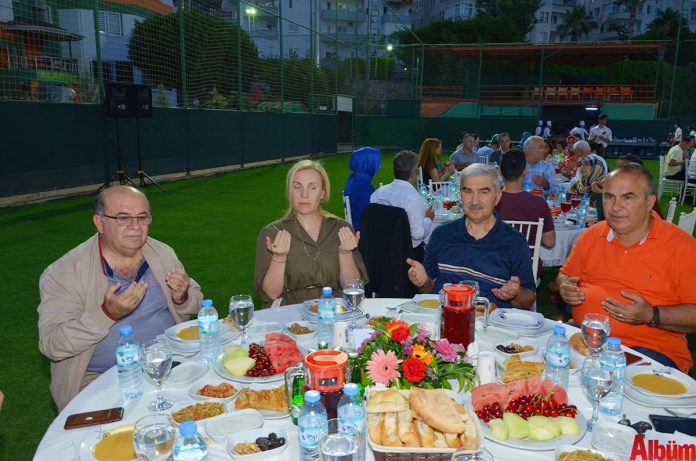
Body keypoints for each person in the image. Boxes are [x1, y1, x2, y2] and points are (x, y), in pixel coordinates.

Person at [38, 186, 203, 411]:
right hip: (101, 380)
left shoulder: (162, 253)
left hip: (170, 365)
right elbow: (52, 345)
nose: (135, 226)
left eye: (142, 217)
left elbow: (193, 303)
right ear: (99, 223)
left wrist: (182, 297)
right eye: (123, 218)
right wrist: (106, 314)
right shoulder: (64, 273)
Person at [557, 163, 696, 372]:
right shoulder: (593, 235)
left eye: (628, 197)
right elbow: (564, 276)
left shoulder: (682, 246)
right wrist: (565, 287)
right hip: (585, 339)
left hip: (650, 351)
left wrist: (651, 315)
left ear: (649, 203)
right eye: (609, 196)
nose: (615, 207)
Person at [406, 164, 536, 310]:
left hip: (489, 325)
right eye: (468, 191)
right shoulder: (441, 235)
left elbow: (528, 301)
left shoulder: (514, 242)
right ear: (460, 194)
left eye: (483, 192)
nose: (474, 201)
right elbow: (429, 290)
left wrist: (516, 293)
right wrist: (423, 282)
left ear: (497, 197)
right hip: (445, 319)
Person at [255, 160, 368, 307]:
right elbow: (271, 294)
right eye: (297, 187)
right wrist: (279, 258)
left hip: (335, 313)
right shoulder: (272, 233)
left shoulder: (341, 229)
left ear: (323, 192)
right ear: (290, 192)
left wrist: (345, 254)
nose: (304, 194)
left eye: (312, 187)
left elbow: (352, 288)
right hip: (289, 316)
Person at [496, 149, 556, 277]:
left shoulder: (489, 201)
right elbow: (549, 242)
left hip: (493, 265)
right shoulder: (538, 203)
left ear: (500, 172)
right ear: (525, 171)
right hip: (527, 267)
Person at [371, 150, 433, 261]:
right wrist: (428, 218)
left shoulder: (377, 194)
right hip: (407, 255)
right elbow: (418, 235)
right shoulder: (413, 199)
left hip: (379, 251)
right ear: (414, 173)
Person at [343, 147, 381, 232]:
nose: (379, 166)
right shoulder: (363, 189)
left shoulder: (353, 179)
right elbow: (369, 219)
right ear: (367, 164)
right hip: (362, 234)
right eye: (377, 163)